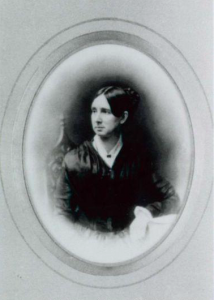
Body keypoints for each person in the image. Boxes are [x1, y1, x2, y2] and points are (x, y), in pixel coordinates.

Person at [57, 86, 180, 235]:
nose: (97, 119)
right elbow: (61, 214)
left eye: (105, 112)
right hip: (87, 242)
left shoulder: (137, 159)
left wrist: (145, 215)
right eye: (94, 111)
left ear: (123, 117)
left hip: (130, 240)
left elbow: (173, 199)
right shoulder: (74, 159)